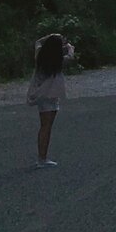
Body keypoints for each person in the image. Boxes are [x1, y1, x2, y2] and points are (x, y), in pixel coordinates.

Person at [27, 33, 74, 167]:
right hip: (51, 96)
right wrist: (69, 47)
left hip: (43, 96)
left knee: (44, 126)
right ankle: (42, 158)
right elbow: (71, 56)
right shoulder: (58, 61)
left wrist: (50, 36)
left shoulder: (40, 58)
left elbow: (38, 42)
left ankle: (42, 157)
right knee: (46, 127)